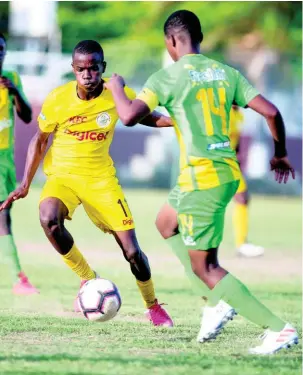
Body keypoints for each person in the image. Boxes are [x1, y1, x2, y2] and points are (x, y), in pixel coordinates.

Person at [104, 10, 298, 354]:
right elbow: (271, 112)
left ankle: (277, 329)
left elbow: (129, 115)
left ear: (171, 41)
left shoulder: (167, 76)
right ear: (200, 37)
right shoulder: (226, 73)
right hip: (223, 172)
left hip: (201, 178)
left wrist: (117, 88)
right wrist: (280, 154)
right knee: (165, 222)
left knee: (205, 266)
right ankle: (214, 302)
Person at [0, 40, 173, 327]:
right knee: (49, 219)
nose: (88, 74)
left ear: (103, 68)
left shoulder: (116, 94)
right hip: (62, 178)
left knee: (132, 252)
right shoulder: (58, 98)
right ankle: (88, 279)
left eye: (94, 68)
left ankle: (153, 305)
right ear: (73, 70)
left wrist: (178, 122)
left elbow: (147, 117)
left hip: (101, 181)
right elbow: (39, 139)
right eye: (81, 69)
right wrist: (26, 183)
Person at [0, 33, 38, 295]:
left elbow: (25, 117)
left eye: (2, 49)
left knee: (5, 214)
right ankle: (18, 278)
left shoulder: (11, 78)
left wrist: (14, 92)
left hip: (6, 158)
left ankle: (18, 278)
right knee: (2, 216)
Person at [229, 105, 264, 257]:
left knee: (242, 197)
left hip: (229, 163)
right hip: (216, 161)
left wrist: (238, 156)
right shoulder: (222, 112)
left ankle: (242, 243)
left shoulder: (239, 115)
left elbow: (235, 142)